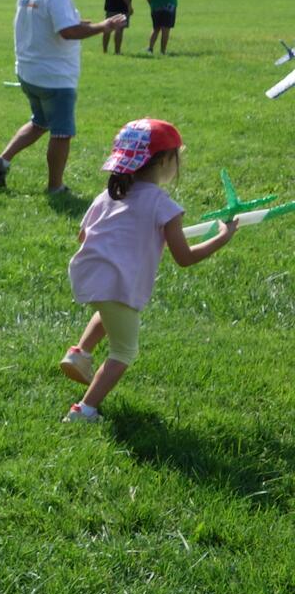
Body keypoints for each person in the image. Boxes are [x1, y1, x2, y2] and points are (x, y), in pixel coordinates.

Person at [60, 119, 236, 422]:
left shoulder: (108, 195)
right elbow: (184, 257)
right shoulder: (163, 205)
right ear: (166, 160)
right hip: (119, 282)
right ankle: (84, 410)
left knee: (109, 310)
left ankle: (79, 354)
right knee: (123, 352)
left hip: (88, 274)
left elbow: (83, 236)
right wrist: (222, 237)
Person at [0, 0, 127, 195]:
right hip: (54, 77)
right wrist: (104, 26)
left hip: (29, 72)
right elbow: (68, 32)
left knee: (39, 122)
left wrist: (82, 23)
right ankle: (55, 187)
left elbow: (49, 23)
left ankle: (1, 161)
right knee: (62, 133)